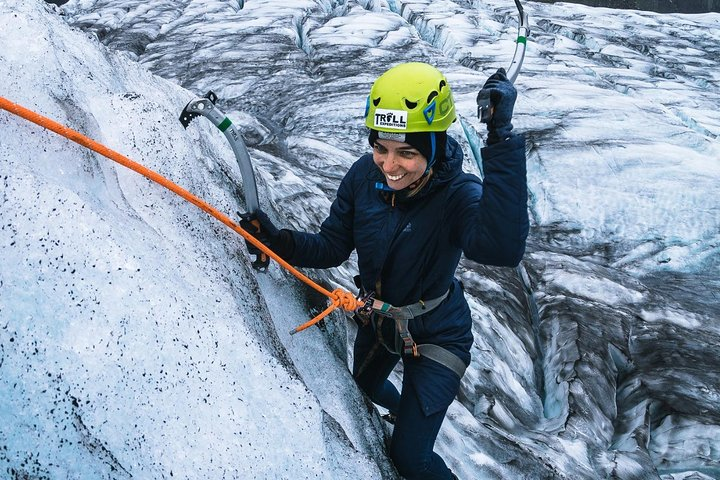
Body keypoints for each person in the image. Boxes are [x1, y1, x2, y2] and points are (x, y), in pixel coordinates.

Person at [240, 62, 528, 480]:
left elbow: (502, 248)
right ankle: (404, 412)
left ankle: (412, 429)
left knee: (410, 459)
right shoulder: (364, 175)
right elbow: (333, 246)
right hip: (381, 322)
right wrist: (276, 240)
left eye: (407, 152)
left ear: (432, 144)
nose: (390, 165)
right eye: (381, 147)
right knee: (364, 390)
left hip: (440, 334)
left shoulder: (458, 194)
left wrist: (500, 136)